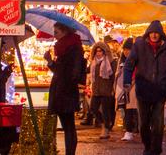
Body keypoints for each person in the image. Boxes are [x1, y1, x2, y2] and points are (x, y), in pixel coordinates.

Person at [124, 20, 166, 155]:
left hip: (160, 91)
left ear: (161, 34)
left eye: (157, 33)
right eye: (152, 33)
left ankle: (155, 149)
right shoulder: (139, 45)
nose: (154, 35)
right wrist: (126, 81)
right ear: (148, 33)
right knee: (143, 124)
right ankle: (147, 146)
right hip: (143, 90)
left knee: (158, 125)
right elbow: (129, 64)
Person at [44, 22, 84, 155]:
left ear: (65, 31)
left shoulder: (73, 47)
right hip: (61, 91)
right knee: (68, 126)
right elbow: (59, 70)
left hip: (66, 91)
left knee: (69, 126)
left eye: (57, 32)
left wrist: (64, 77)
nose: (55, 36)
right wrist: (50, 62)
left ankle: (70, 153)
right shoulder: (63, 47)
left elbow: (74, 73)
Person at [88, 41, 116, 139]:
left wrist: (113, 89)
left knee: (106, 111)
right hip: (96, 90)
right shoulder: (93, 63)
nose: (98, 53)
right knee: (93, 108)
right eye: (97, 51)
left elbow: (113, 77)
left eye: (101, 51)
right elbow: (90, 74)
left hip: (107, 90)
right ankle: (104, 124)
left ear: (104, 52)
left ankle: (106, 129)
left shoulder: (110, 62)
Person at [115, 37, 138, 142]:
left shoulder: (137, 60)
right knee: (127, 110)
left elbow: (136, 73)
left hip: (133, 87)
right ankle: (129, 130)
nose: (126, 52)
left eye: (128, 49)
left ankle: (131, 130)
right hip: (123, 88)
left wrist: (131, 83)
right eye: (124, 49)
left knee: (133, 110)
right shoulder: (121, 61)